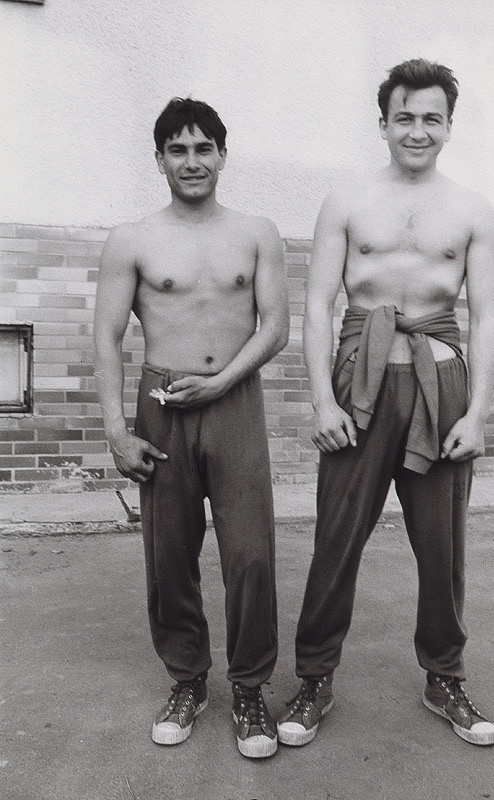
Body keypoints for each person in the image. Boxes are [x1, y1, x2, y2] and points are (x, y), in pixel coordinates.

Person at [277, 59, 494, 748]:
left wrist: (476, 414)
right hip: (360, 387)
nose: (417, 130)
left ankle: (444, 677)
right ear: (382, 124)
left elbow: (487, 315)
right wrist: (322, 402)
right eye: (404, 117)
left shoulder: (471, 209)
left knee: (442, 546)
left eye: (431, 118)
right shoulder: (346, 203)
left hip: (440, 386)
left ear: (449, 127)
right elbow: (318, 303)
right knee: (336, 538)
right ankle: (314, 678)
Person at [94, 98, 289, 758]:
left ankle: (249, 688)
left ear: (222, 155)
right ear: (159, 160)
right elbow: (107, 334)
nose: (192, 160)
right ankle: (187, 680)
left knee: (251, 554)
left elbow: (275, 326)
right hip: (163, 404)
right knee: (170, 553)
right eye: (177, 150)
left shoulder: (256, 232)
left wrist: (223, 380)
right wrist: (117, 431)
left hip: (234, 403)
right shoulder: (132, 240)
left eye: (203, 148)